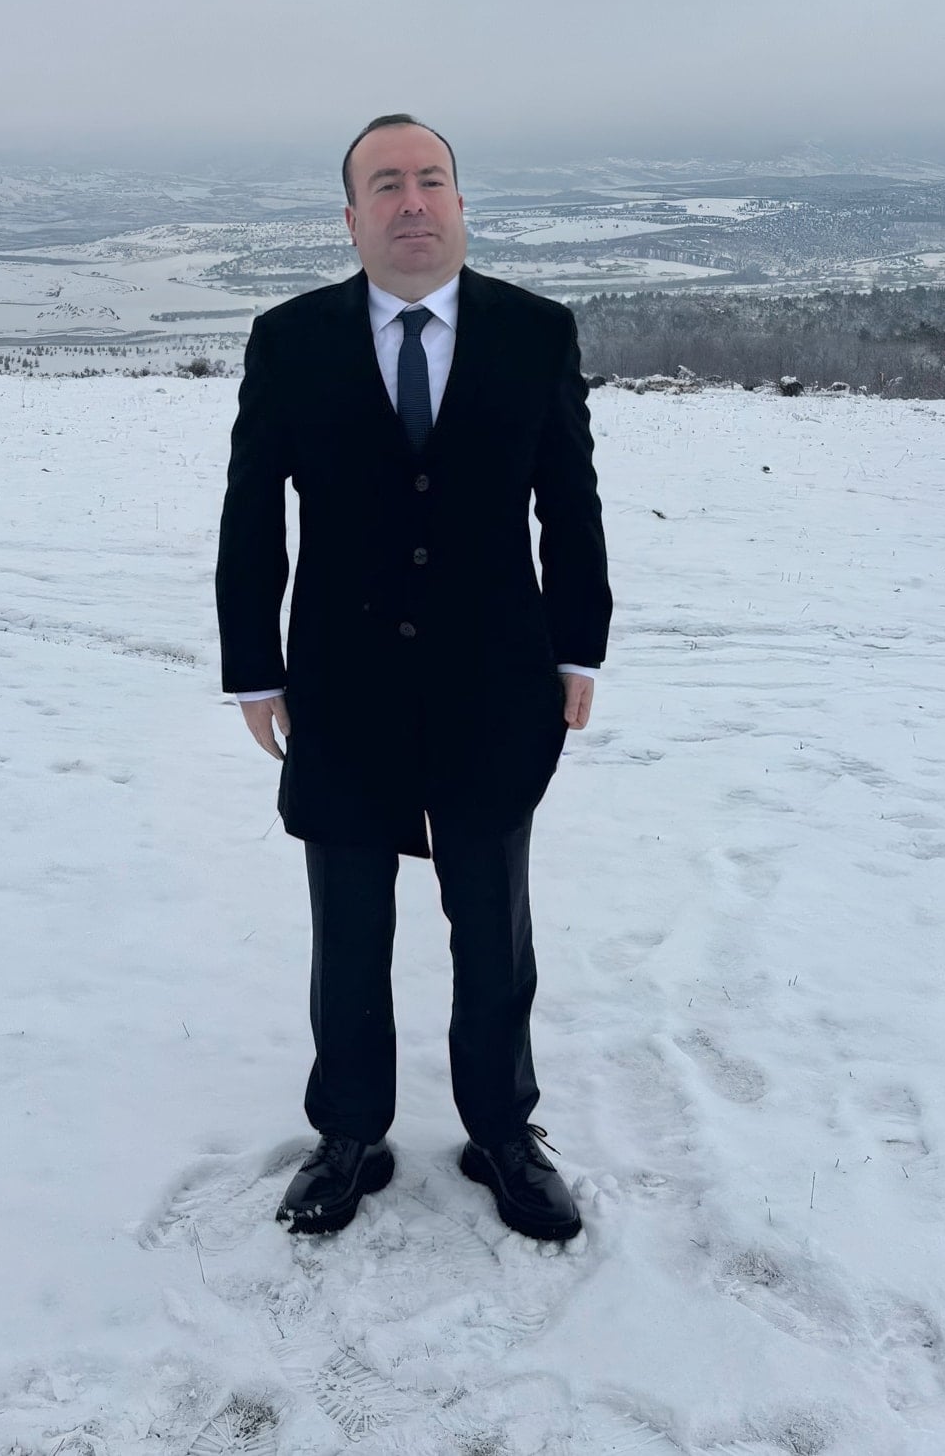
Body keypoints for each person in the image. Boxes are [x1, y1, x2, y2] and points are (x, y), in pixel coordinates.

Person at [216, 114, 611, 1241]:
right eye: (385, 184)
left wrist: (577, 648)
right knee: (347, 926)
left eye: (430, 179)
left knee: (493, 926)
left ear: (461, 204)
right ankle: (349, 1134)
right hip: (341, 687)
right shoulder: (289, 340)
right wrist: (253, 669)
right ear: (351, 218)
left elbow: (569, 503)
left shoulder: (535, 333)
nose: (411, 201)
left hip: (497, 684)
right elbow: (253, 513)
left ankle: (503, 1131)